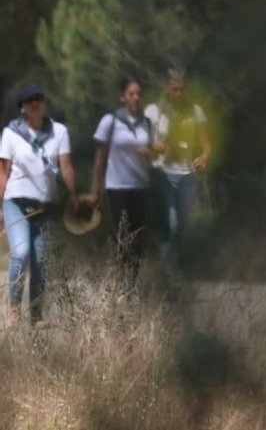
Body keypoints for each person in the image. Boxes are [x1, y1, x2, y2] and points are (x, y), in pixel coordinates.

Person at [0, 83, 84, 323]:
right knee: (21, 252)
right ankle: (14, 307)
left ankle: (36, 315)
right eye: (29, 100)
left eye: (38, 98)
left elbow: (66, 165)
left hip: (45, 205)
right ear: (23, 107)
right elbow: (2, 172)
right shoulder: (11, 133)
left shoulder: (59, 132)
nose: (35, 103)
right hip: (15, 201)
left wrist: (74, 194)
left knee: (40, 260)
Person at [92, 75, 162, 292]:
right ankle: (118, 283)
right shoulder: (110, 121)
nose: (136, 98)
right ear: (122, 96)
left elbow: (151, 158)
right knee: (122, 235)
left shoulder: (147, 124)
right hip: (116, 186)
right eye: (131, 93)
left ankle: (131, 285)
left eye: (139, 94)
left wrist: (150, 152)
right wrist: (95, 191)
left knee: (138, 238)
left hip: (140, 187)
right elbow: (100, 157)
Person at [146, 66, 212, 275]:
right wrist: (153, 146)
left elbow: (205, 143)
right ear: (167, 88)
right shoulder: (153, 112)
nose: (179, 93)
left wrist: (204, 156)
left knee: (180, 225)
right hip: (163, 173)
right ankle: (168, 273)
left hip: (187, 175)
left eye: (182, 89)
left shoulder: (195, 111)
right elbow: (141, 139)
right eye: (174, 89)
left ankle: (171, 265)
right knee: (171, 223)